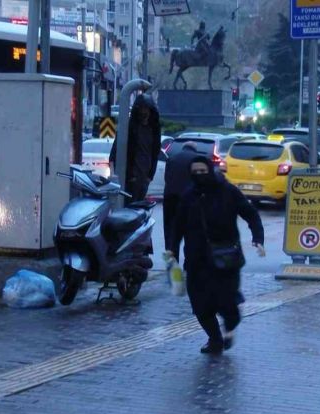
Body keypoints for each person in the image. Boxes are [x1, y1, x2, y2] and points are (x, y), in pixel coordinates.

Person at [165, 156, 264, 354]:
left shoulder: (228, 191)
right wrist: (172, 250)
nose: (200, 175)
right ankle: (215, 339)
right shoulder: (189, 196)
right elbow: (178, 226)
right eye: (196, 172)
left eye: (203, 171)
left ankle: (229, 327)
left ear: (210, 170)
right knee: (200, 305)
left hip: (225, 259)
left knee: (227, 302)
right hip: (196, 260)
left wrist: (258, 238)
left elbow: (250, 213)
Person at [108, 94, 161, 204]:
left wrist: (149, 176)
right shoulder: (129, 128)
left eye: (147, 109)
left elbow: (155, 153)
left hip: (144, 178)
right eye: (142, 109)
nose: (144, 113)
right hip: (131, 178)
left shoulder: (154, 129)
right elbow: (114, 154)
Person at [162, 141, 198, 248]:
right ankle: (190, 263)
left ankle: (171, 262)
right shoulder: (197, 160)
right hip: (190, 200)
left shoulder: (172, 158)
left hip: (170, 198)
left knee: (170, 234)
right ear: (194, 149)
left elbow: (167, 178)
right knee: (190, 234)